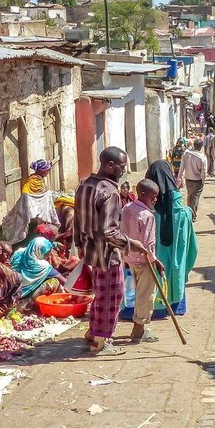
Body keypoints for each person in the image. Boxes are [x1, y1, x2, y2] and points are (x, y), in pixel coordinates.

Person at [75, 147, 150, 355]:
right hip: (108, 255)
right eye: (122, 167)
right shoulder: (109, 192)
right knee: (112, 298)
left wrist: (79, 245)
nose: (123, 171)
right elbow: (109, 231)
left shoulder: (84, 185)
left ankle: (93, 332)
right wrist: (132, 244)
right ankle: (101, 342)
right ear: (110, 166)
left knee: (100, 295)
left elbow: (77, 219)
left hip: (92, 252)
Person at [144, 160, 198, 316]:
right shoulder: (174, 195)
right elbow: (181, 214)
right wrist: (188, 211)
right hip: (174, 245)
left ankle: (155, 307)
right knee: (175, 268)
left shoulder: (147, 195)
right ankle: (175, 306)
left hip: (155, 248)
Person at [120, 179, 164, 342]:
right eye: (153, 196)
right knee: (146, 295)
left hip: (129, 258)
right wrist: (155, 261)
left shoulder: (127, 208)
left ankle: (139, 326)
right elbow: (147, 245)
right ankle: (138, 328)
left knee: (139, 293)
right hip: (144, 261)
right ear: (143, 194)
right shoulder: (147, 216)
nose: (155, 200)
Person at [9, 237, 65, 302]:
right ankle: (29, 302)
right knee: (54, 282)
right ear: (42, 252)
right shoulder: (42, 266)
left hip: (11, 291)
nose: (48, 255)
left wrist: (54, 244)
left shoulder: (18, 253)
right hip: (25, 294)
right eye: (47, 253)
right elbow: (62, 280)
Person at [179, 138, 208, 222]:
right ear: (201, 147)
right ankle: (193, 215)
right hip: (197, 180)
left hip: (188, 178)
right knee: (195, 198)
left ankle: (188, 213)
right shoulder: (202, 157)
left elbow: (182, 166)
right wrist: (203, 181)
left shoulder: (186, 154)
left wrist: (180, 176)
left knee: (190, 195)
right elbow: (204, 171)